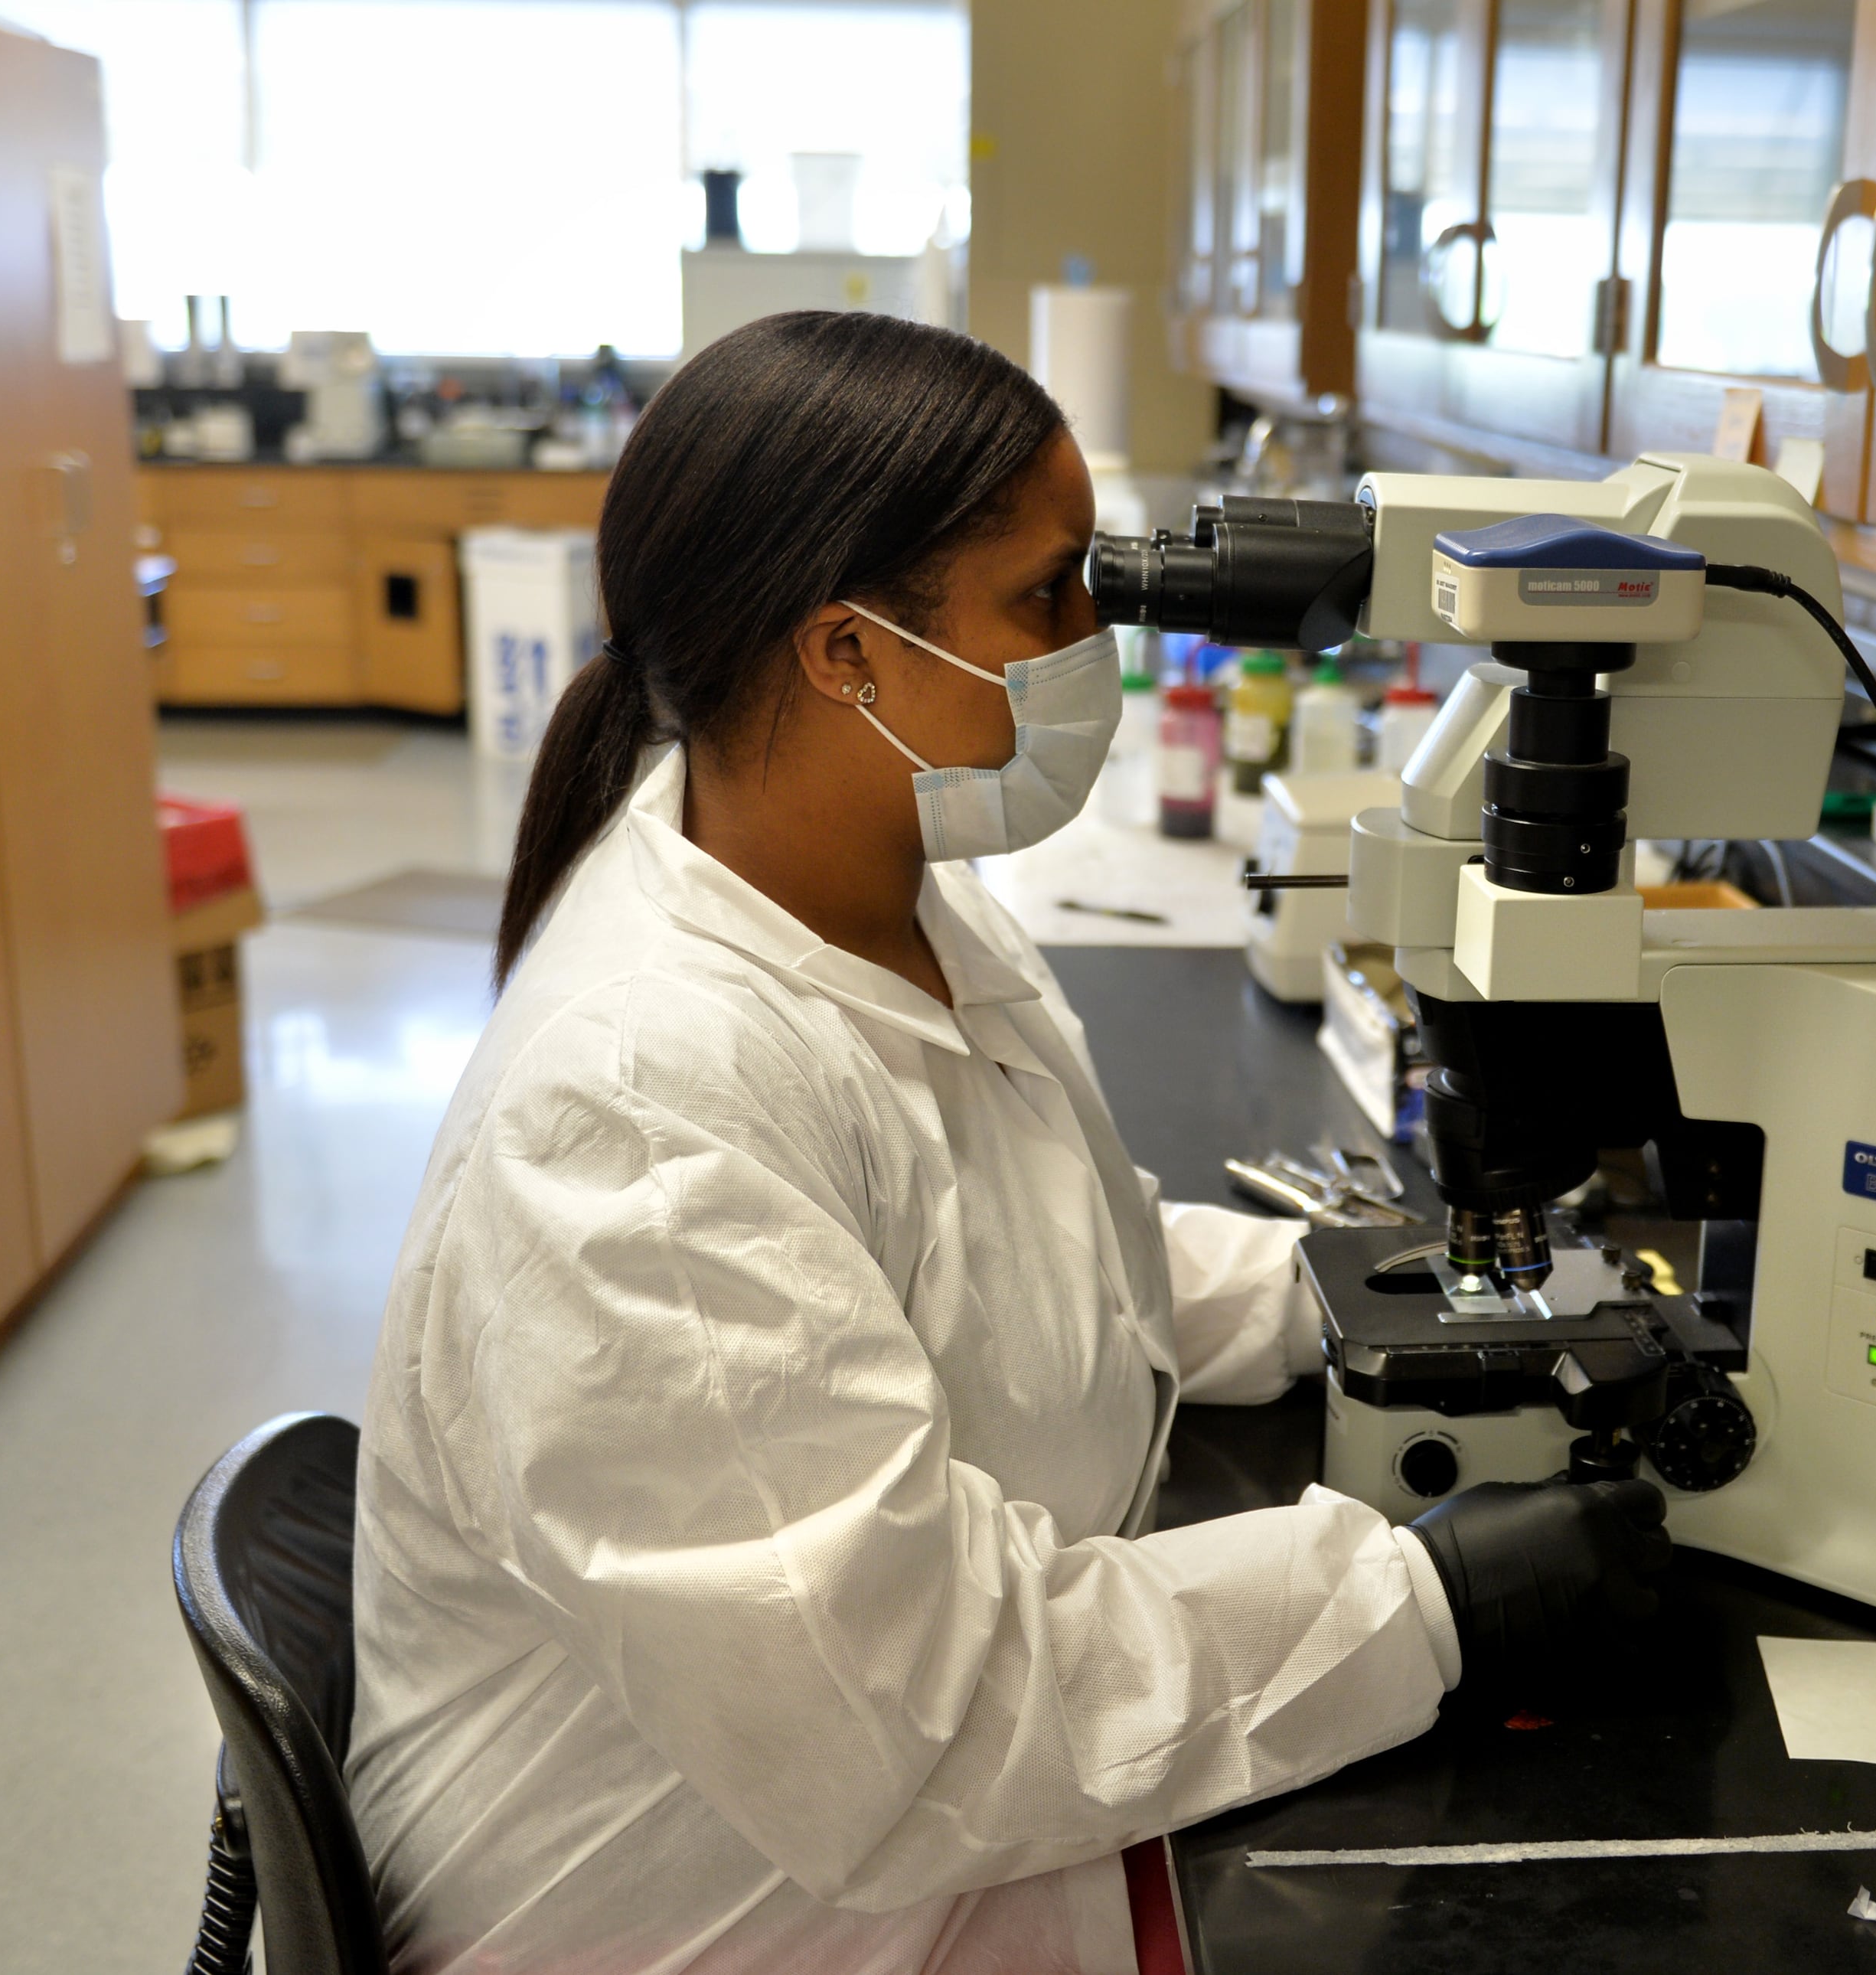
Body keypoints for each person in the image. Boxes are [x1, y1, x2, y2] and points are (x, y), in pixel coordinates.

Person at [348, 312, 1670, 1975]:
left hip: (852, 1840)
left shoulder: (890, 902)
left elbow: (1048, 1264)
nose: (1092, 644)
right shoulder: (637, 1118)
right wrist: (1427, 1601)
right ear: (847, 657)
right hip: (731, 1915)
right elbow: (922, 1726)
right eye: (1051, 597)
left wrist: (1370, 1287)